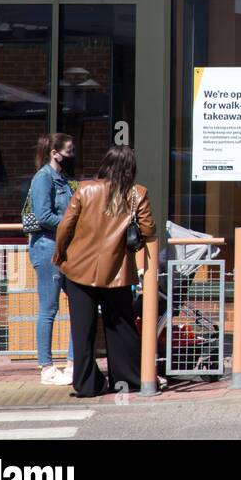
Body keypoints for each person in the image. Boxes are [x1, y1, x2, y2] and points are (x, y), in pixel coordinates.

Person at [52, 145, 156, 398]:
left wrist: (60, 254)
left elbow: (65, 226)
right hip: (117, 272)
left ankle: (88, 385)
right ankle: (127, 378)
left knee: (83, 328)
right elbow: (149, 230)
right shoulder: (136, 194)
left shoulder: (85, 189)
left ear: (105, 164)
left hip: (78, 269)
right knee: (121, 326)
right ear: (130, 168)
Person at [27, 133, 77, 386]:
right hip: (47, 248)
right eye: (69, 150)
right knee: (49, 308)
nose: (72, 154)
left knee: (79, 303)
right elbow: (44, 215)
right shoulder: (43, 178)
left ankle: (72, 362)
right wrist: (73, 227)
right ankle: (46, 367)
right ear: (55, 153)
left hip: (66, 248)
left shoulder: (64, 180)